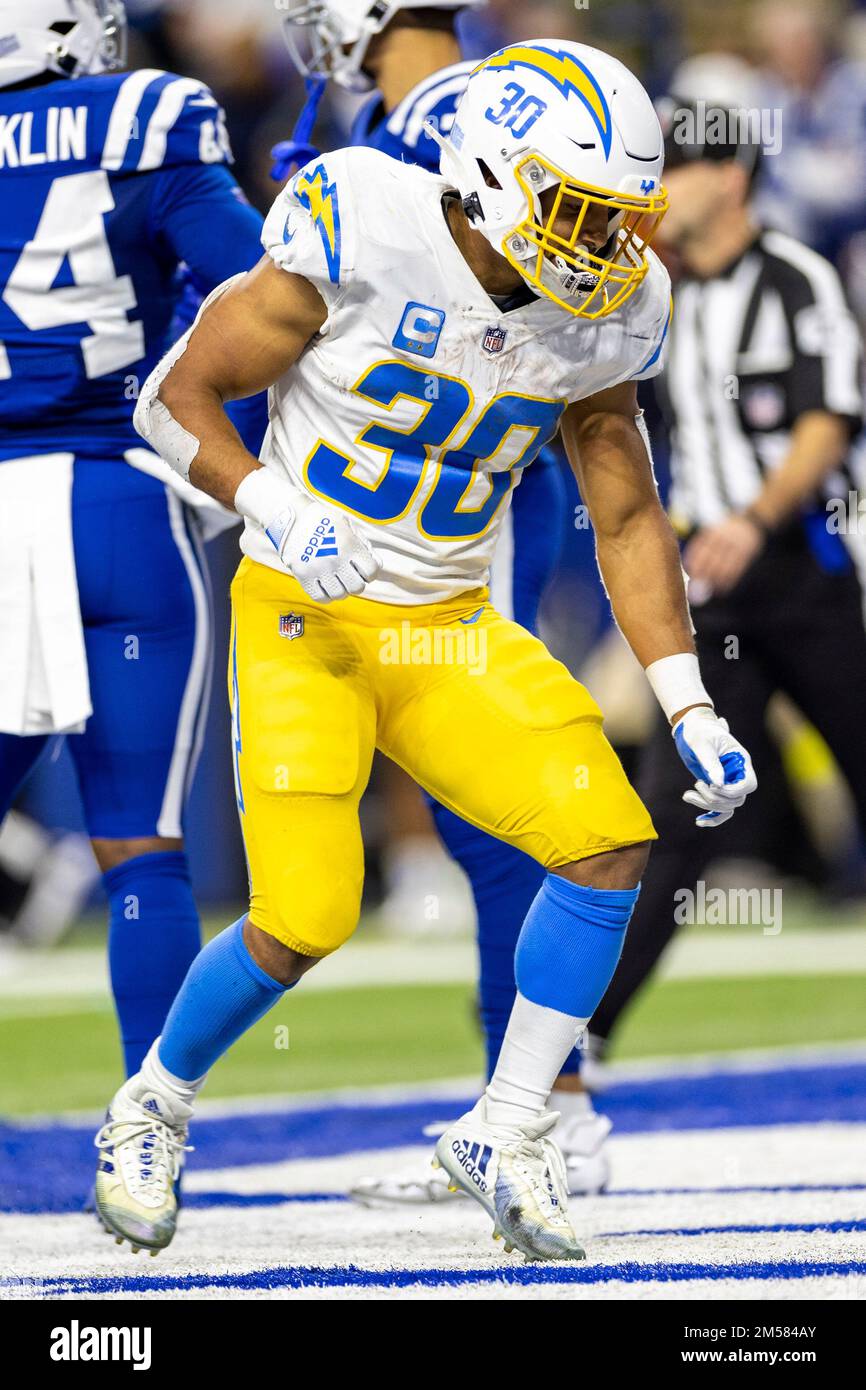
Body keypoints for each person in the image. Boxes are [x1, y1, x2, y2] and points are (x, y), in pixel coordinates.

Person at [94, 40, 756, 1263]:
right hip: (307, 614)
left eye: (620, 220)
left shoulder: (611, 309)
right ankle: (152, 1104)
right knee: (305, 916)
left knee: (606, 838)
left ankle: (505, 1131)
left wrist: (684, 699)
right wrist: (275, 506)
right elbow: (166, 396)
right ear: (495, 177)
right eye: (580, 211)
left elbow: (623, 513)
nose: (605, 248)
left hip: (447, 622)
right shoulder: (364, 220)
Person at [276, 0, 610, 1204]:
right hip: (431, 506)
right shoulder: (400, 119)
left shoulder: (446, 123)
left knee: (503, 822)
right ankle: (536, 1105)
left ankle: (541, 1111)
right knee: (489, 826)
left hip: (459, 510)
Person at [0, 1, 266, 1079]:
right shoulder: (147, 117)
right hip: (126, 504)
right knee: (144, 853)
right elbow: (266, 298)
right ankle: (144, 1139)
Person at [589, 93, 866, 1060]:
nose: (657, 189)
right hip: (715, 590)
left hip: (813, 577)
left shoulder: (795, 277)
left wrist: (752, 519)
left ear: (731, 178)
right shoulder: (651, 294)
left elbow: (830, 418)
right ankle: (581, 1042)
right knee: (678, 817)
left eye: (677, 168)